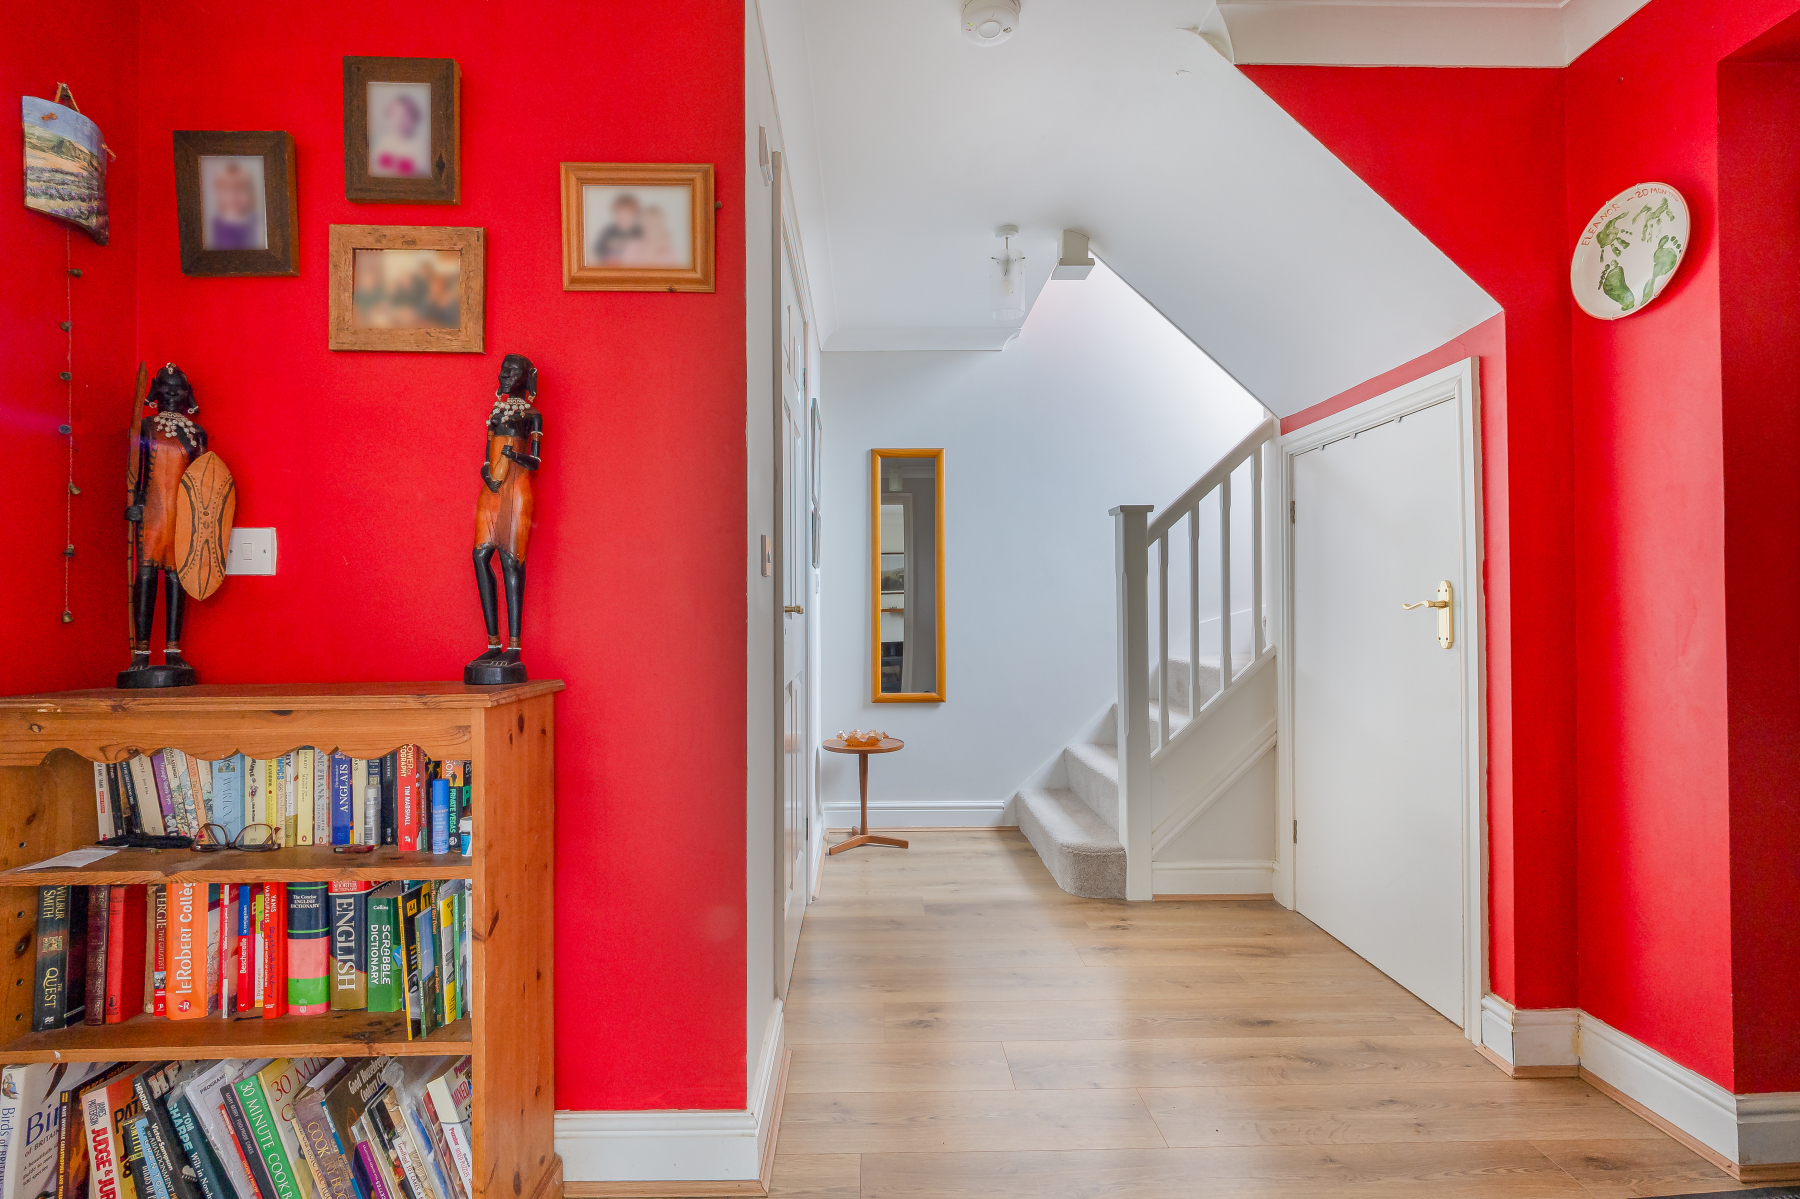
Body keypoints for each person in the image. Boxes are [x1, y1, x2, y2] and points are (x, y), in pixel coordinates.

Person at [121, 365, 207, 687]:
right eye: (166, 387)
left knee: (176, 576)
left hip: (182, 514)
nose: (171, 393)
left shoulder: (196, 433)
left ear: (188, 395)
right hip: (151, 510)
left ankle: (173, 649)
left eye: (178, 388)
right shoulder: (145, 426)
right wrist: (134, 503)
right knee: (145, 575)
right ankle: (141, 652)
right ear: (156, 392)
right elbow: (137, 470)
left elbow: (203, 480)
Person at [468, 355, 544, 684]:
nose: (504, 376)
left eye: (512, 372)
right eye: (503, 371)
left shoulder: (532, 415)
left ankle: (514, 646)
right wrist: (488, 475)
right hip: (493, 488)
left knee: (512, 562)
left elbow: (536, 461)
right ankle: (492, 643)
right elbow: (486, 459)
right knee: (480, 556)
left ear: (526, 378)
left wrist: (513, 455)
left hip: (517, 488)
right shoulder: (495, 413)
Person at [370, 90, 429, 178]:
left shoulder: (419, 148)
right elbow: (374, 168)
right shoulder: (384, 141)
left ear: (414, 120)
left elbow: (422, 175)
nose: (399, 120)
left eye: (405, 116)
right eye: (395, 115)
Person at [205, 161, 261, 250]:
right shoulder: (215, 225)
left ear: (251, 192)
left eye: (240, 188)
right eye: (228, 190)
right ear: (219, 195)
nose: (234, 196)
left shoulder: (258, 223)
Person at [592, 193, 642, 264]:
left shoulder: (639, 231)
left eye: (627, 214)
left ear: (635, 215)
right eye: (619, 214)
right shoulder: (608, 231)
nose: (623, 218)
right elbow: (597, 253)